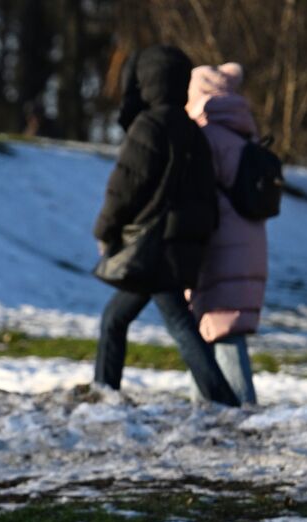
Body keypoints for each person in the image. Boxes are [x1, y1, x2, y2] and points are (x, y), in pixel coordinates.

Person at [92, 45, 240, 407]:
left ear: (148, 81)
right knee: (119, 317)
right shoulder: (192, 131)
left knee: (173, 325)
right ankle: (104, 391)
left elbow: (125, 186)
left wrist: (105, 230)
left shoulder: (150, 125)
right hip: (179, 245)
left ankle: (222, 401)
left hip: (155, 250)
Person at [187, 62, 267, 405]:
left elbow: (198, 195)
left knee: (220, 328)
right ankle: (205, 408)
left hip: (220, 247)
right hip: (247, 244)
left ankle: (240, 410)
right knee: (217, 328)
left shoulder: (207, 135)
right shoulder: (241, 131)